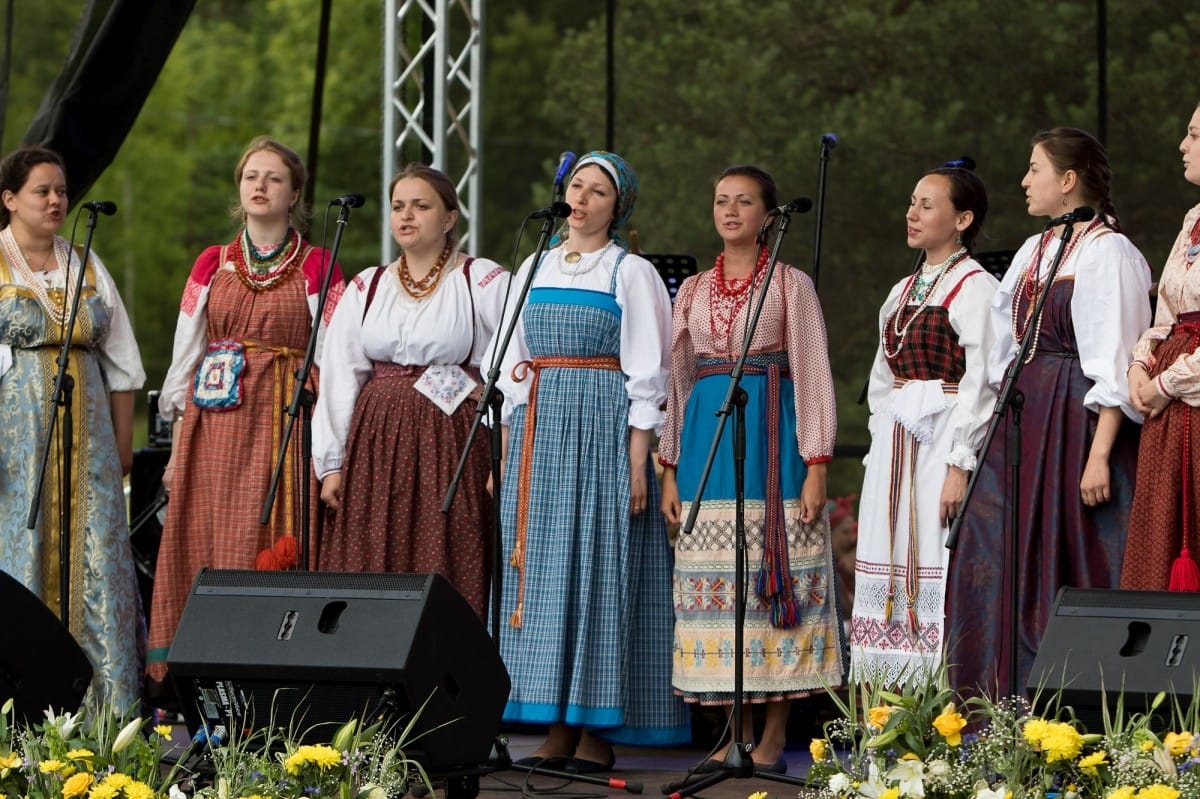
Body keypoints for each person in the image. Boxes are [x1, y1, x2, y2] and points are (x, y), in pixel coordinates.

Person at [486, 151, 689, 772]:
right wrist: (504, 453)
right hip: (538, 433)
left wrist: (638, 463)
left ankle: (597, 730)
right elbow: (511, 371)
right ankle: (553, 723)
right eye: (577, 186)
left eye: (598, 191)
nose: (583, 199)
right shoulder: (533, 265)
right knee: (544, 574)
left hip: (602, 428)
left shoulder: (631, 273)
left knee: (598, 571)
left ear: (616, 206)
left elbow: (648, 375)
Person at [945, 128, 1151, 698]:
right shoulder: (1036, 251)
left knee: (1066, 560)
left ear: (1067, 180)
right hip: (1022, 422)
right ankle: (992, 706)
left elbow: (1114, 359)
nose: (1023, 181)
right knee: (993, 553)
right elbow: (1000, 355)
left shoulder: (1109, 252)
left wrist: (1100, 456)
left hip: (1073, 425)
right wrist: (970, 451)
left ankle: (1068, 713)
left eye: (1034, 169)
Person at [659, 164, 843, 773]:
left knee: (774, 582)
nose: (730, 211)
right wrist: (668, 465)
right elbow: (678, 383)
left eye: (744, 202)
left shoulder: (791, 284)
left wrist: (816, 462)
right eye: (721, 200)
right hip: (707, 446)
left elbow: (813, 372)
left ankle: (771, 738)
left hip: (775, 440)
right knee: (716, 586)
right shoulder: (689, 292)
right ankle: (730, 732)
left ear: (768, 216)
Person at [147, 136, 345, 687]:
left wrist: (330, 445)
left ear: (295, 193)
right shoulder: (213, 263)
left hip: (282, 419)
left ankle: (271, 675)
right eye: (251, 176)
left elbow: (334, 355)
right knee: (204, 537)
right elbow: (186, 352)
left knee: (261, 536)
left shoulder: (317, 266)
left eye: (273, 178)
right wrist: (176, 435)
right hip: (213, 425)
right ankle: (200, 675)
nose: (259, 186)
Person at [312, 164, 509, 619]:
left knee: (446, 543)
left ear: (449, 218)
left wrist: (503, 446)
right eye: (399, 206)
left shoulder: (481, 280)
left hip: (451, 437)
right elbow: (340, 376)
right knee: (376, 542)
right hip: (378, 441)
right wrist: (332, 465)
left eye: (421, 206)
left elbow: (516, 360)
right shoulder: (368, 284)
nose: (407, 215)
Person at [0, 145, 146, 709]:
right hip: (17, 442)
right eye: (43, 191)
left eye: (61, 190)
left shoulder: (85, 262)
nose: (57, 200)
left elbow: (124, 361)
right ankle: (24, 716)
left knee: (99, 566)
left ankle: (104, 718)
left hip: (91, 446)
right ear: (10, 199)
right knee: (23, 556)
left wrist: (123, 448)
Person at [849, 167, 998, 688]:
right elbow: (881, 381)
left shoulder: (976, 288)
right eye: (912, 202)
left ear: (962, 218)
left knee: (934, 552)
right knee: (885, 551)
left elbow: (984, 382)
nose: (912, 213)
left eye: (927, 205)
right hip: (896, 442)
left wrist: (961, 464)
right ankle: (884, 713)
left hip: (943, 439)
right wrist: (878, 450)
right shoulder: (902, 290)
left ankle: (939, 702)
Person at [1121, 103, 1200, 591]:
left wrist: (1168, 383)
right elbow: (1166, 315)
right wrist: (1139, 365)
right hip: (1169, 412)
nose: (1182, 145)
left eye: (1193, 134)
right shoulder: (1193, 217)